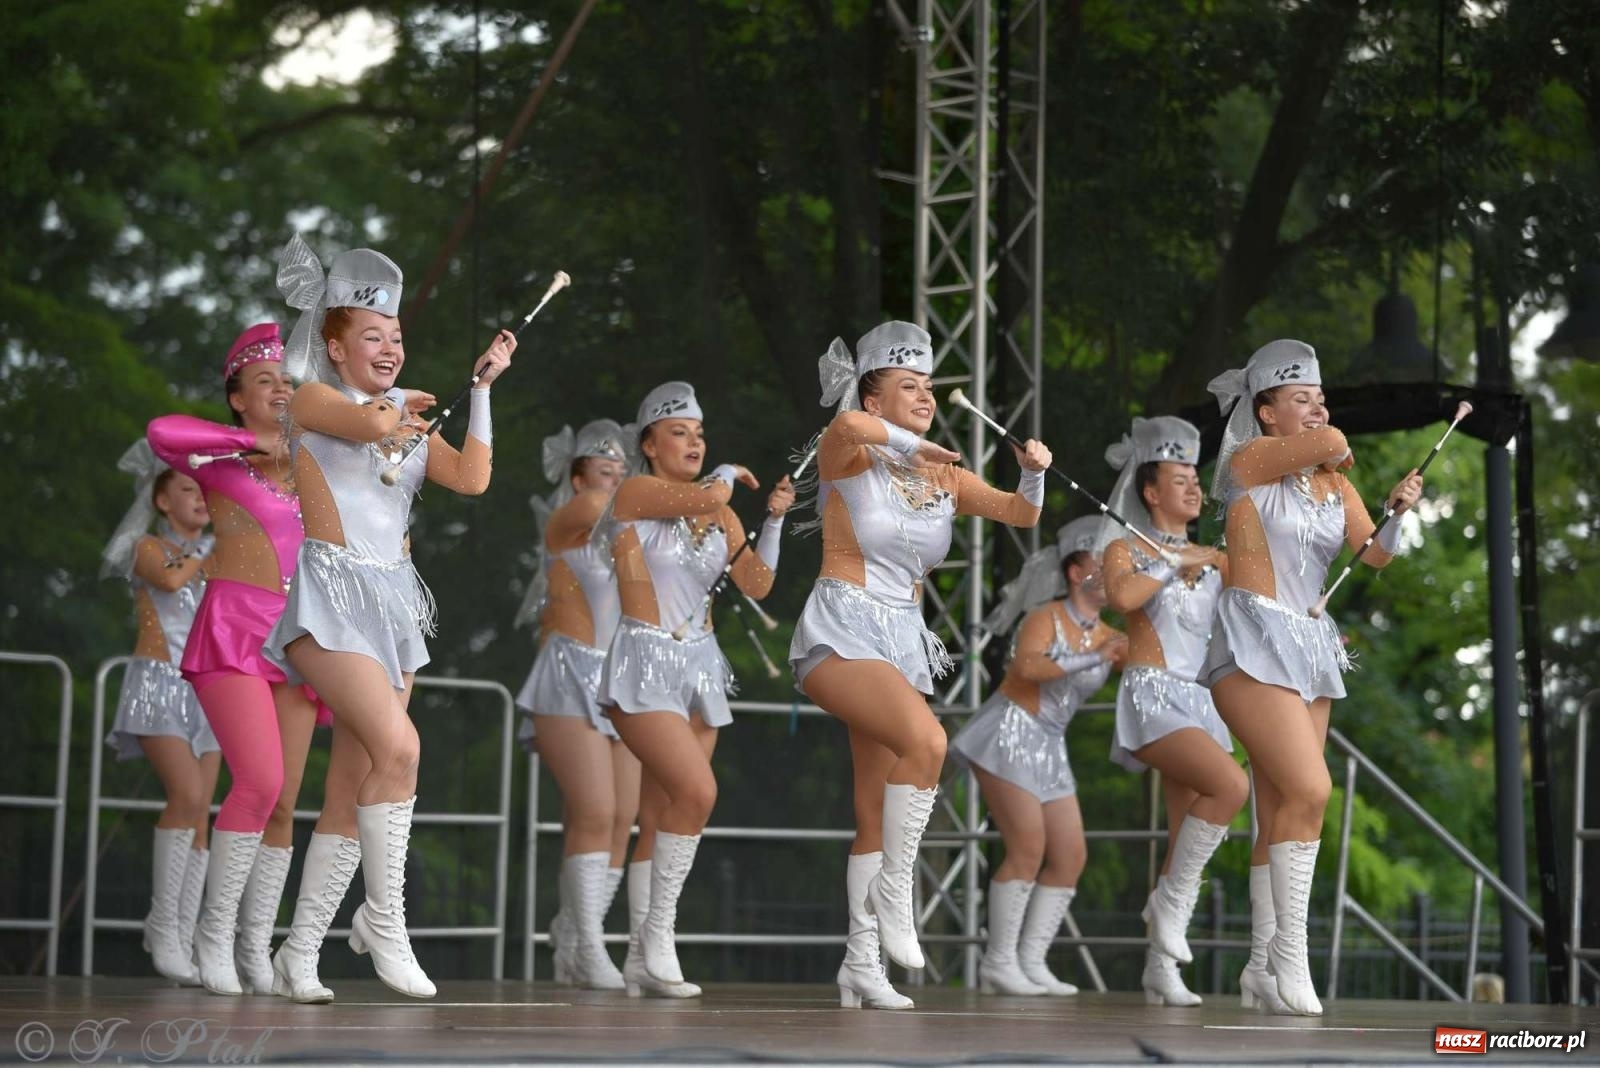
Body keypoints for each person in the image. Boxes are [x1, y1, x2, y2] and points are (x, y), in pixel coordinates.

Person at [264, 235, 515, 999]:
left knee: (358, 784)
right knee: (401, 749)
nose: (389, 348)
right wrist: (396, 410)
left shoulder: (399, 421)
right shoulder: (310, 398)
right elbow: (368, 427)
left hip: (393, 607)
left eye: (397, 338)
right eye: (372, 336)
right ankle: (385, 921)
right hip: (328, 598)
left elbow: (471, 478)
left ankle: (298, 953)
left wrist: (481, 392)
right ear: (334, 346)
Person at [789, 322, 1051, 1009]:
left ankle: (861, 962)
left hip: (903, 639)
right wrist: (915, 443)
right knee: (928, 741)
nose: (926, 397)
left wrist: (1033, 470)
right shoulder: (847, 448)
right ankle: (897, 899)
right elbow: (847, 427)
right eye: (909, 386)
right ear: (874, 399)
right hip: (842, 627)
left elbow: (1022, 514)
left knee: (873, 807)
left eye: (930, 386)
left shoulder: (942, 474)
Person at [1201, 340, 1422, 1015]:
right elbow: (1331, 438)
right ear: (1266, 413)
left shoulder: (1332, 482)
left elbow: (1374, 555)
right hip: (1248, 640)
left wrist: (1398, 512)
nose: (1319, 406)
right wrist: (1329, 436)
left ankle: (1262, 969)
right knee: (1311, 787)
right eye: (1303, 397)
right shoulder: (1249, 464)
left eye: (1319, 396)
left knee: (1281, 809)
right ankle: (1292, 960)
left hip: (1309, 648)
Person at [147, 322, 330, 996]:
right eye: (265, 382)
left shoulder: (314, 466)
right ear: (237, 399)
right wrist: (253, 441)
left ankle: (258, 949)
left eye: (288, 380)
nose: (282, 390)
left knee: (284, 802)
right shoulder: (223, 465)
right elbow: (163, 433)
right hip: (232, 632)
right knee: (256, 780)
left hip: (299, 641)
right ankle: (212, 937)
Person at [599, 381, 793, 998]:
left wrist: (774, 522)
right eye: (679, 432)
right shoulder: (633, 493)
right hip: (645, 659)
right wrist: (725, 475)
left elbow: (757, 583)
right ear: (650, 445)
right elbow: (707, 491)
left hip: (701, 667)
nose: (693, 441)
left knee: (663, 816)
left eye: (699, 433)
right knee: (698, 791)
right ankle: (660, 936)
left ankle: (639, 959)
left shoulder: (720, 509)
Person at [1098, 416, 1243, 1006]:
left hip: (1202, 701)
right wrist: (1169, 562)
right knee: (1231, 788)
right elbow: (1121, 599)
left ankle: (1160, 967)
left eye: (1195, 478)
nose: (1193, 488)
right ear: (1150, 490)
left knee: (1186, 826)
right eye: (1178, 478)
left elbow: (1251, 610)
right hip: (1154, 693)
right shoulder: (1122, 548)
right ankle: (1168, 906)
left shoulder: (1218, 556)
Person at [950, 517, 1126, 996]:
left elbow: (1151, 661)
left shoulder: (1110, 632)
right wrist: (1095, 656)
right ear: (1075, 571)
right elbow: (1027, 666)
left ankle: (1031, 959)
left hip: (1051, 742)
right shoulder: (1045, 618)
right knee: (1027, 846)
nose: (1114, 573)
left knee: (1069, 855)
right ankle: (999, 961)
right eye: (1103, 563)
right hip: (1009, 730)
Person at [513, 419, 639, 989]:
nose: (616, 478)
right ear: (580, 473)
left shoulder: (628, 531)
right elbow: (601, 508)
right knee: (593, 810)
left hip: (618, 680)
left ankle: (575, 935)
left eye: (623, 470)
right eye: (605, 470)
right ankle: (589, 945)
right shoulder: (571, 520)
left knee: (620, 817)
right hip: (569, 673)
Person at [101, 441, 221, 983]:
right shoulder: (144, 544)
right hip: (157, 683)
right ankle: (163, 924)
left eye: (205, 489)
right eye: (189, 489)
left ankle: (184, 930)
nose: (201, 498)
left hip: (211, 691)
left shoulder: (222, 548)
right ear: (164, 499)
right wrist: (213, 556)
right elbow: (171, 579)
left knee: (204, 813)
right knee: (187, 796)